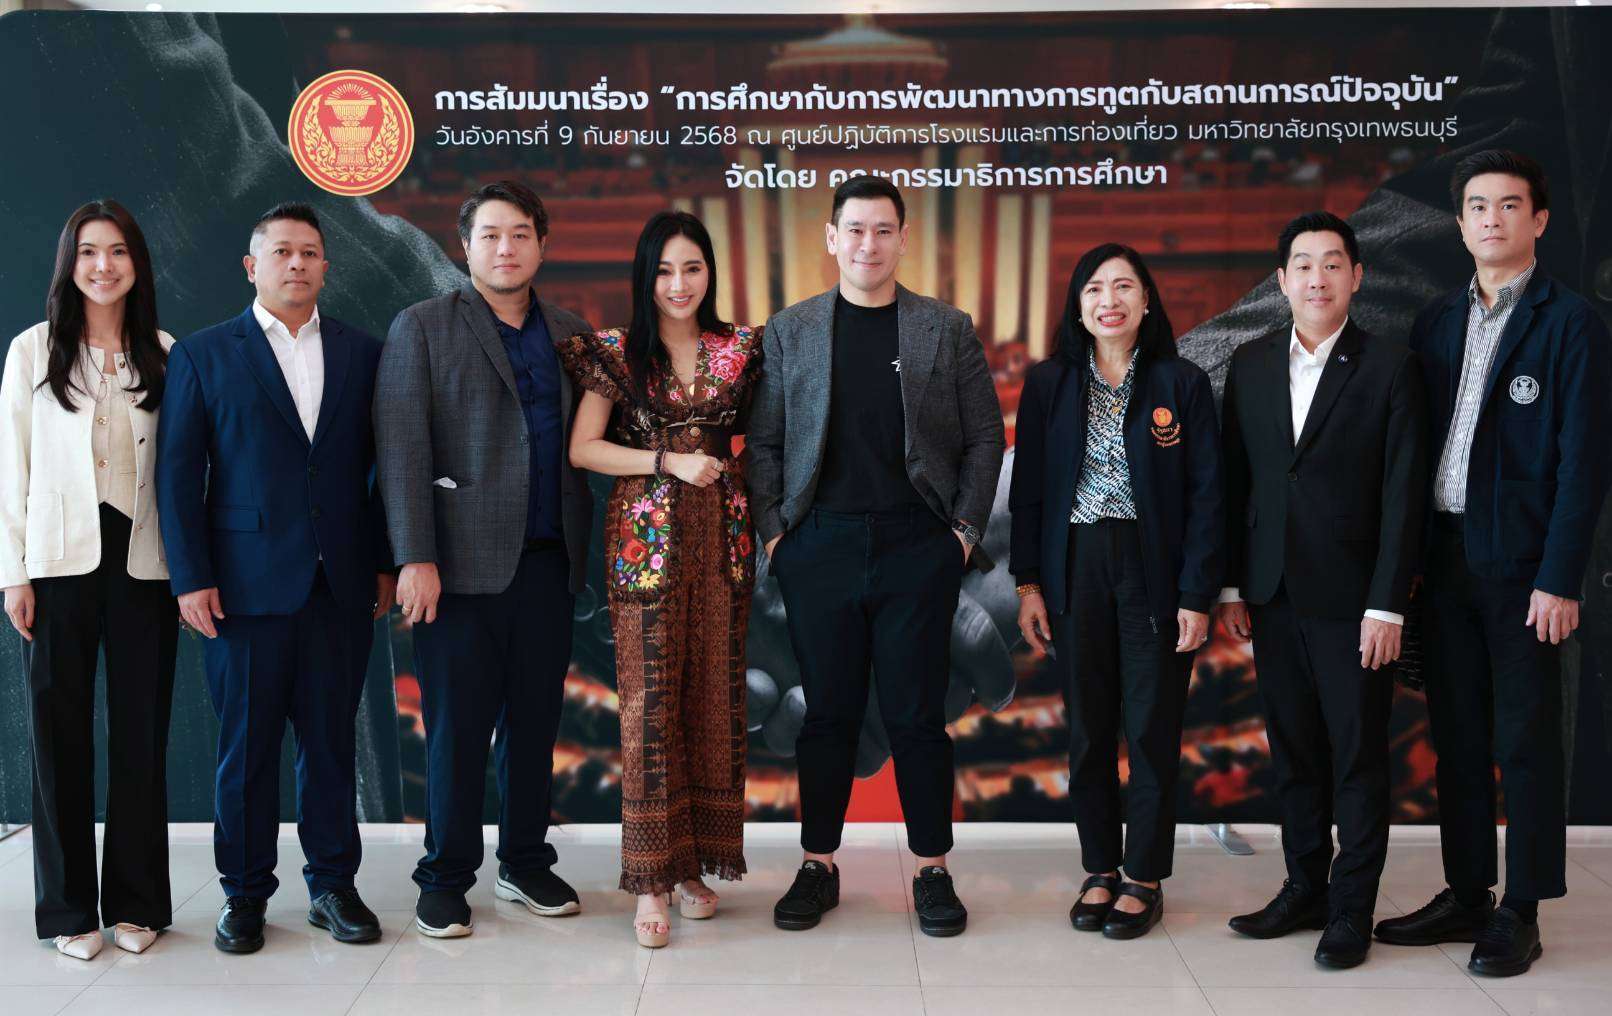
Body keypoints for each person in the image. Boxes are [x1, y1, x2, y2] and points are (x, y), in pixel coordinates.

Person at [1372, 150, 1612, 977]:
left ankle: (1523, 906)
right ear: (1461, 222)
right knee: (1458, 738)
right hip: (1444, 559)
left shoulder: (1570, 322)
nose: (1491, 219)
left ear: (1538, 220)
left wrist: (1559, 576)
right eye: (1477, 206)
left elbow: (1585, 465)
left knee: (1527, 739)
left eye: (1509, 205)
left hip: (1523, 567)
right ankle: (1468, 891)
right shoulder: (1437, 319)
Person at [747, 176, 1004, 939]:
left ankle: (932, 869)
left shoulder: (945, 328)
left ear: (902, 238)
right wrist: (777, 537)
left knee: (916, 717)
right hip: (818, 545)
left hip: (917, 546)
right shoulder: (790, 330)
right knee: (827, 715)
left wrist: (962, 534)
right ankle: (817, 865)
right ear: (831, 238)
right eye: (854, 229)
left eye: (882, 230)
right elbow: (763, 443)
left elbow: (985, 437)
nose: (868, 243)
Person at [156, 202, 393, 954]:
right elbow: (177, 476)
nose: (297, 263)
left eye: (310, 252)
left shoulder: (363, 352)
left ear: (326, 266)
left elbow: (385, 470)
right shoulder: (203, 353)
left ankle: (333, 887)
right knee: (247, 752)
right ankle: (244, 894)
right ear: (251, 266)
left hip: (340, 588)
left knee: (330, 748)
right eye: (282, 251)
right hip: (241, 590)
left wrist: (384, 562)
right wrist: (190, 577)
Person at [375, 180, 594, 939]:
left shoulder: (570, 333)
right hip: (457, 570)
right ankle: (445, 877)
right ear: (464, 247)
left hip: (549, 564)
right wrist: (414, 556)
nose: (506, 248)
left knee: (535, 725)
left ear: (542, 245)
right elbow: (401, 449)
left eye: (520, 234)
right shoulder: (423, 325)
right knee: (458, 732)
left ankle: (524, 861)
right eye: (491, 236)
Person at [1217, 212, 1428, 968]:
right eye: (1303, 265)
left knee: (1357, 758)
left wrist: (1388, 602)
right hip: (1270, 594)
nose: (1317, 278)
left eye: (1332, 264)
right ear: (1281, 281)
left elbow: (1404, 495)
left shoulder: (1391, 366)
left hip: (1355, 601)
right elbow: (1235, 481)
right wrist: (1232, 584)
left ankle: (1351, 909)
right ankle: (1304, 887)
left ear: (1356, 277)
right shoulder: (1249, 362)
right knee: (1295, 753)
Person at [558, 211, 761, 948]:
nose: (679, 284)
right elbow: (584, 449)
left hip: (723, 544)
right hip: (644, 545)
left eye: (692, 268)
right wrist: (665, 461)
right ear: (645, 277)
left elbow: (766, 442)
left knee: (714, 701)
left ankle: (692, 866)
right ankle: (649, 878)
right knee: (649, 708)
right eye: (665, 270)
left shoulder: (741, 348)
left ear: (710, 273)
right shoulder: (617, 352)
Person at [1009, 243, 1223, 940]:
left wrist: (1197, 593)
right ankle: (1099, 867)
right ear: (1078, 307)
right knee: (1089, 729)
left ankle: (1144, 875)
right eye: (1095, 288)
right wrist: (1028, 583)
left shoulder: (1180, 382)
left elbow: (1208, 497)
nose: (1110, 300)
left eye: (1124, 286)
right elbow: (1029, 492)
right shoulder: (1049, 384)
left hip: (1152, 569)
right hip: (1074, 567)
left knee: (1152, 727)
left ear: (1146, 300)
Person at [1, 200, 178, 960]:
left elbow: (183, 470)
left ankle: (137, 904)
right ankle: (69, 910)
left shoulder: (165, 352)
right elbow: (11, 467)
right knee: (58, 735)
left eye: (118, 252)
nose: (103, 266)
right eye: (88, 252)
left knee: (141, 733)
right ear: (69, 264)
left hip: (145, 563)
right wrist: (13, 574)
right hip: (57, 564)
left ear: (138, 263)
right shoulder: (33, 350)